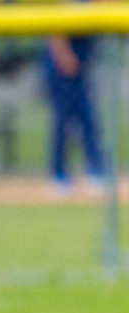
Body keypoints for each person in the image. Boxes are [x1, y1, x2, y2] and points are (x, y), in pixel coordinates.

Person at [42, 33, 105, 196]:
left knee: (87, 118)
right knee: (63, 122)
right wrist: (63, 54)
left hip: (80, 64)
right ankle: (59, 175)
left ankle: (95, 171)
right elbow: (55, 29)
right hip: (62, 65)